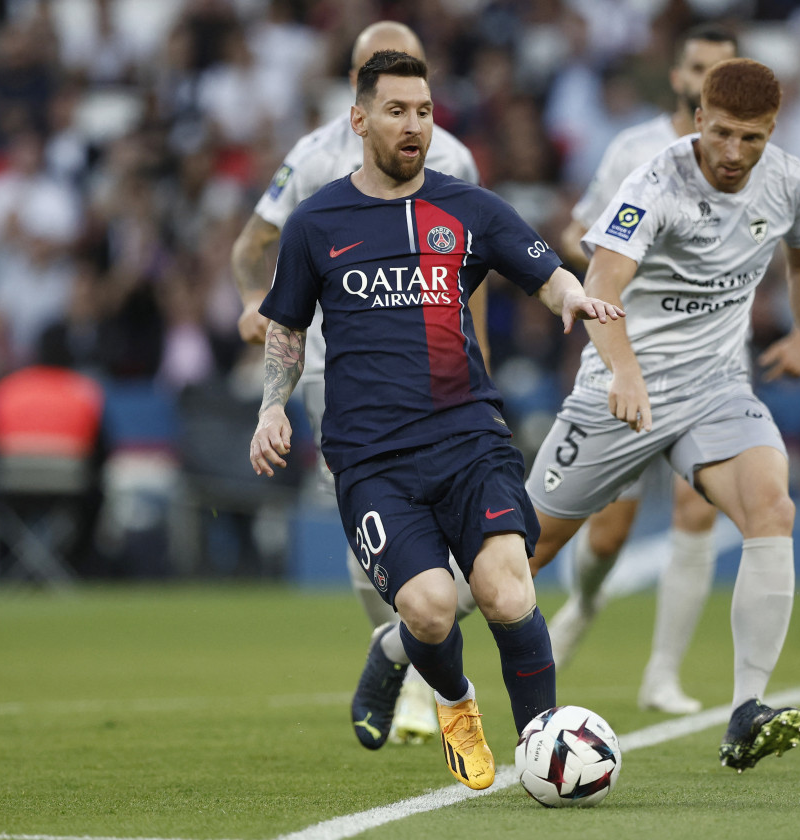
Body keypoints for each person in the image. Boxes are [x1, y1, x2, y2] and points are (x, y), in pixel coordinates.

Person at [248, 51, 623, 791]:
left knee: (509, 593)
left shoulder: (468, 208)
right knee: (429, 608)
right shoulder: (315, 223)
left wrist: (571, 298)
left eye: (423, 111)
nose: (413, 124)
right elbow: (286, 330)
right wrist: (270, 407)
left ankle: (540, 750)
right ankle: (454, 701)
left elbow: (546, 273)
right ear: (360, 120)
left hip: (468, 438)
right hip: (370, 456)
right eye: (396, 111)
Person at [524, 58, 800, 772]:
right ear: (698, 118)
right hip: (623, 389)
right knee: (522, 553)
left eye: (753, 139)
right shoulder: (654, 182)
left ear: (773, 132)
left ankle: (745, 711)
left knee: (773, 508)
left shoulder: (790, 180)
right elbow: (601, 281)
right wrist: (627, 371)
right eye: (724, 133)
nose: (735, 154)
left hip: (716, 389)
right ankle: (403, 643)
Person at [230, 21, 481, 746]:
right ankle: (417, 672)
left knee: (471, 537)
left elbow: (478, 272)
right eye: (378, 75)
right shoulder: (314, 156)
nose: (403, 102)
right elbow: (254, 246)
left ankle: (401, 647)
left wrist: (479, 356)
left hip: (438, 369)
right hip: (336, 371)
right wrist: (255, 301)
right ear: (355, 89)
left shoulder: (453, 158)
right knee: (367, 521)